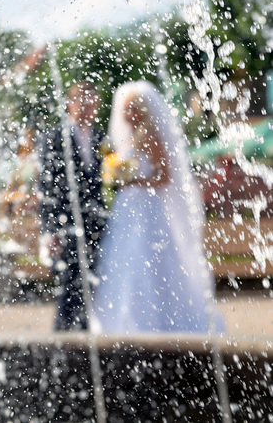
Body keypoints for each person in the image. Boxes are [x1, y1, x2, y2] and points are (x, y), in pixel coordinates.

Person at [92, 80, 224, 334]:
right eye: (124, 108)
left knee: (148, 260)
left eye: (131, 108)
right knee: (124, 261)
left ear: (141, 110)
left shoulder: (149, 137)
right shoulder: (126, 141)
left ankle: (153, 322)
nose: (125, 113)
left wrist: (134, 181)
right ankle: (122, 322)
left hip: (147, 207)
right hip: (128, 207)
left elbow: (165, 177)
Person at [39, 81, 105, 331]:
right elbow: (46, 188)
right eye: (83, 103)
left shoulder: (102, 138)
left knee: (93, 284)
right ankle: (62, 340)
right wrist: (50, 230)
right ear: (70, 104)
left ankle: (86, 340)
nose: (88, 108)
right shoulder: (54, 138)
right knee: (71, 284)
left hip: (96, 225)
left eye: (93, 104)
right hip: (66, 224)